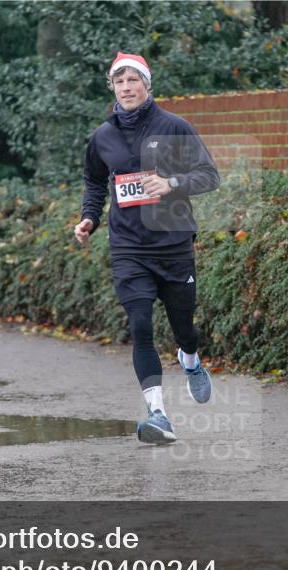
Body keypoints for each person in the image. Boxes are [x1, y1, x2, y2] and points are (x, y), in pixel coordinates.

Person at [74, 51, 220, 444]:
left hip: (173, 245)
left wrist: (171, 183)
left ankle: (190, 359)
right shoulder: (103, 136)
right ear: (113, 88)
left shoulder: (174, 127)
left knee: (183, 327)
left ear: (147, 85)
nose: (126, 88)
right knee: (140, 326)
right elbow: (93, 180)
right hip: (128, 247)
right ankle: (158, 414)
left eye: (133, 80)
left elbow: (209, 176)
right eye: (119, 82)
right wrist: (90, 217)